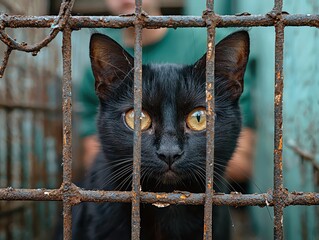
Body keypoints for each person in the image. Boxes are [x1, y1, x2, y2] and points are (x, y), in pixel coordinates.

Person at [77, 0, 256, 185]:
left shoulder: (209, 40)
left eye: (198, 118)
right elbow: (93, 157)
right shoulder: (107, 62)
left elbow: (241, 164)